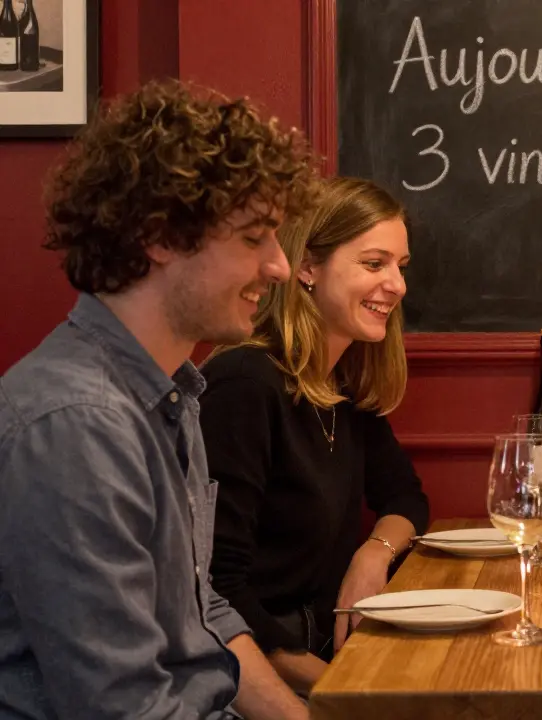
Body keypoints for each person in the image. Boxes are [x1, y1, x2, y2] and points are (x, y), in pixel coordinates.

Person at [0, 79, 316, 719]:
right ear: (160, 235)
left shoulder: (171, 392)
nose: (281, 267)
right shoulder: (78, 425)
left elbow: (206, 615)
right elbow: (122, 708)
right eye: (255, 237)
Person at [200, 176, 430, 695]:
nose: (398, 285)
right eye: (375, 264)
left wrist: (375, 552)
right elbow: (218, 589)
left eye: (400, 266)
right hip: (253, 679)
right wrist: (342, 693)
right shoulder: (244, 384)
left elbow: (405, 498)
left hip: (329, 649)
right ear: (306, 266)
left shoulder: (340, 386)